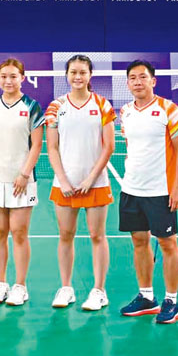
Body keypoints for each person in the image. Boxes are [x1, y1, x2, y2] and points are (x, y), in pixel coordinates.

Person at [118, 60, 178, 324]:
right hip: (131, 188)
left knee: (167, 243)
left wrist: (177, 188)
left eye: (143, 77)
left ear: (153, 81)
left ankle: (171, 300)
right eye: (133, 78)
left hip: (161, 191)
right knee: (139, 241)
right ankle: (147, 297)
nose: (138, 82)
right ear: (128, 83)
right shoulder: (125, 112)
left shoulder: (169, 109)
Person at [45, 54, 116, 311]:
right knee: (66, 235)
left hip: (96, 183)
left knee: (98, 235)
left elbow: (109, 146)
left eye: (82, 72)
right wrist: (63, 180)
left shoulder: (102, 105)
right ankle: (66, 288)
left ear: (90, 75)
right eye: (73, 72)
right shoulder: (56, 107)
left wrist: (90, 178)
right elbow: (52, 147)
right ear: (67, 75)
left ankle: (99, 291)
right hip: (64, 184)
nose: (77, 77)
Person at [0, 59, 43, 306]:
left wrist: (24, 174)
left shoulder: (32, 106)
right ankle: (1, 284)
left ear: (22, 78)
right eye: (4, 76)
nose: (8, 80)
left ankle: (20, 287)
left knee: (19, 233)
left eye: (13, 76)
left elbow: (37, 145)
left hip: (21, 181)